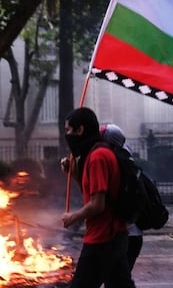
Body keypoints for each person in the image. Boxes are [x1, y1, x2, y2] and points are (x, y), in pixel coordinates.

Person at [61, 107, 135, 288]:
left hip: (102, 238)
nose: (67, 135)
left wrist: (73, 216)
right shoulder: (96, 154)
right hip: (114, 236)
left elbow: (97, 205)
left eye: (69, 130)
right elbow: (92, 194)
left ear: (80, 130)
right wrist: (75, 174)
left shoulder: (98, 157)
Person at [100, 124, 143, 272]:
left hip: (125, 236)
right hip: (131, 235)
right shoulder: (125, 161)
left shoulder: (117, 164)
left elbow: (102, 200)